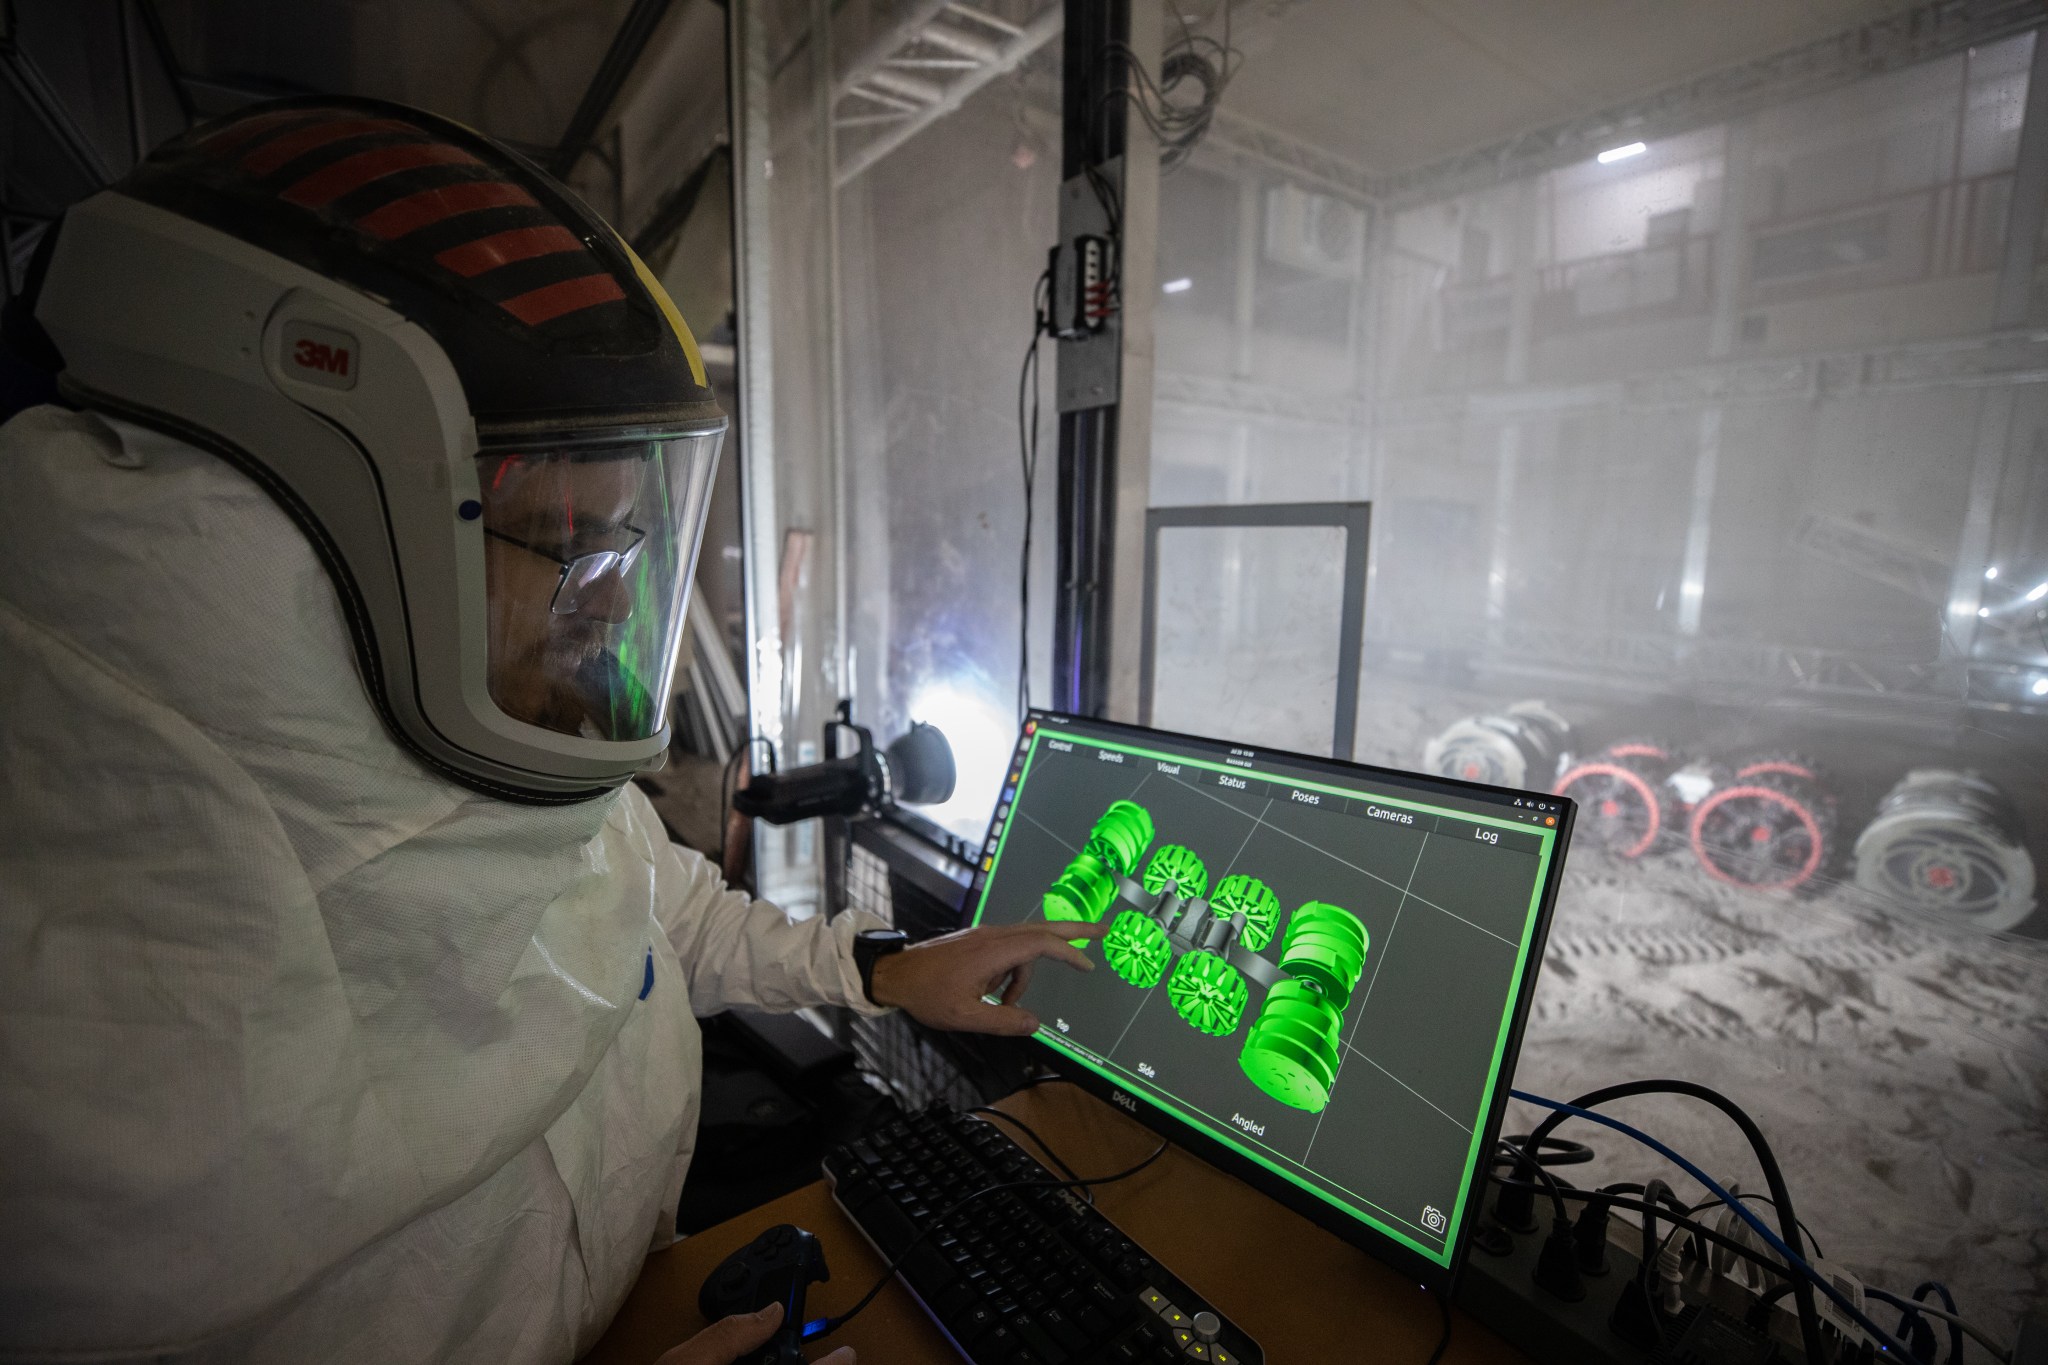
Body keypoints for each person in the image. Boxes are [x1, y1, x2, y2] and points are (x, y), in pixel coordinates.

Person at [0, 98, 1105, 1364]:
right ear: (327, 525)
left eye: (627, 541)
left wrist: (873, 972)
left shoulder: (469, 757)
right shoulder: (91, 994)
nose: (612, 606)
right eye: (571, 546)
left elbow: (654, 909)